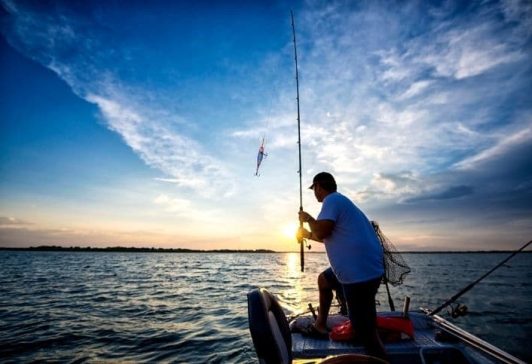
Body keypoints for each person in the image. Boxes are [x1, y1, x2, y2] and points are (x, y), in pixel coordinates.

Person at [297, 172, 387, 360]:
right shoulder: (340, 202)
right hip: (365, 268)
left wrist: (308, 219)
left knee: (365, 331)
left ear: (319, 187)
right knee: (324, 280)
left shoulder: (332, 201)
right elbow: (329, 235)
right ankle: (320, 325)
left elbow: (321, 231)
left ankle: (382, 360)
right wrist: (306, 235)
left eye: (315, 189)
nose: (315, 193)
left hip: (358, 274)